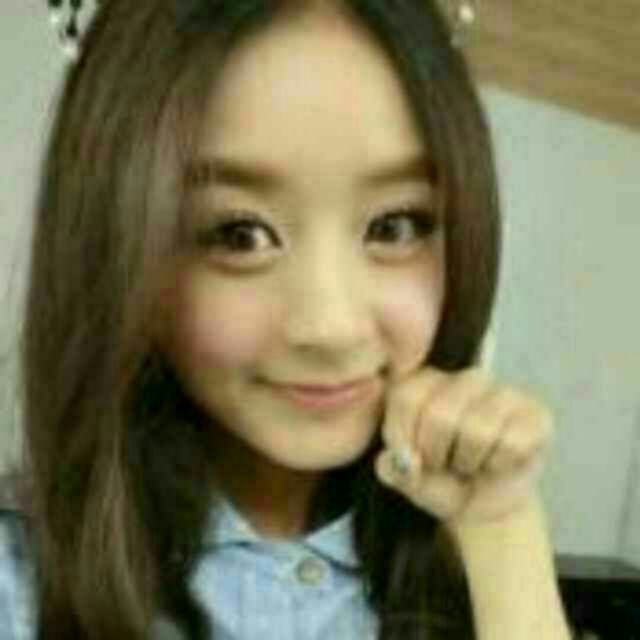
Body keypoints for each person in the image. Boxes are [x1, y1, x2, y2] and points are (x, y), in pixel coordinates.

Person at [0, 1, 573, 639]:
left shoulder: (475, 554)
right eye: (239, 234)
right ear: (114, 245)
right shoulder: (18, 590)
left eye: (394, 226)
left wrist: (501, 530)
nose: (331, 327)